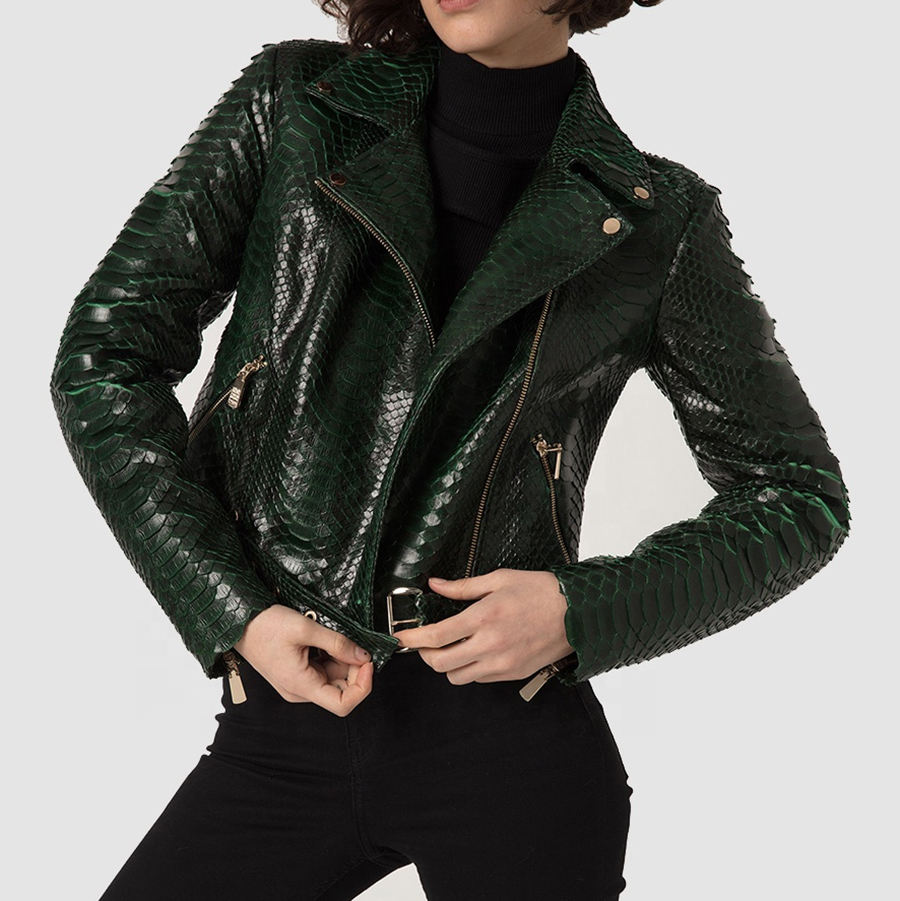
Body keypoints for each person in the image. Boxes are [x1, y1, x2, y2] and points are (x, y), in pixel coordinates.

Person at [48, 1, 851, 899]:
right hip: (281, 723)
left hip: (513, 750)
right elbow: (105, 359)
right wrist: (235, 610)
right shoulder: (297, 104)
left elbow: (798, 496)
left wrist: (581, 610)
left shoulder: (657, 218)